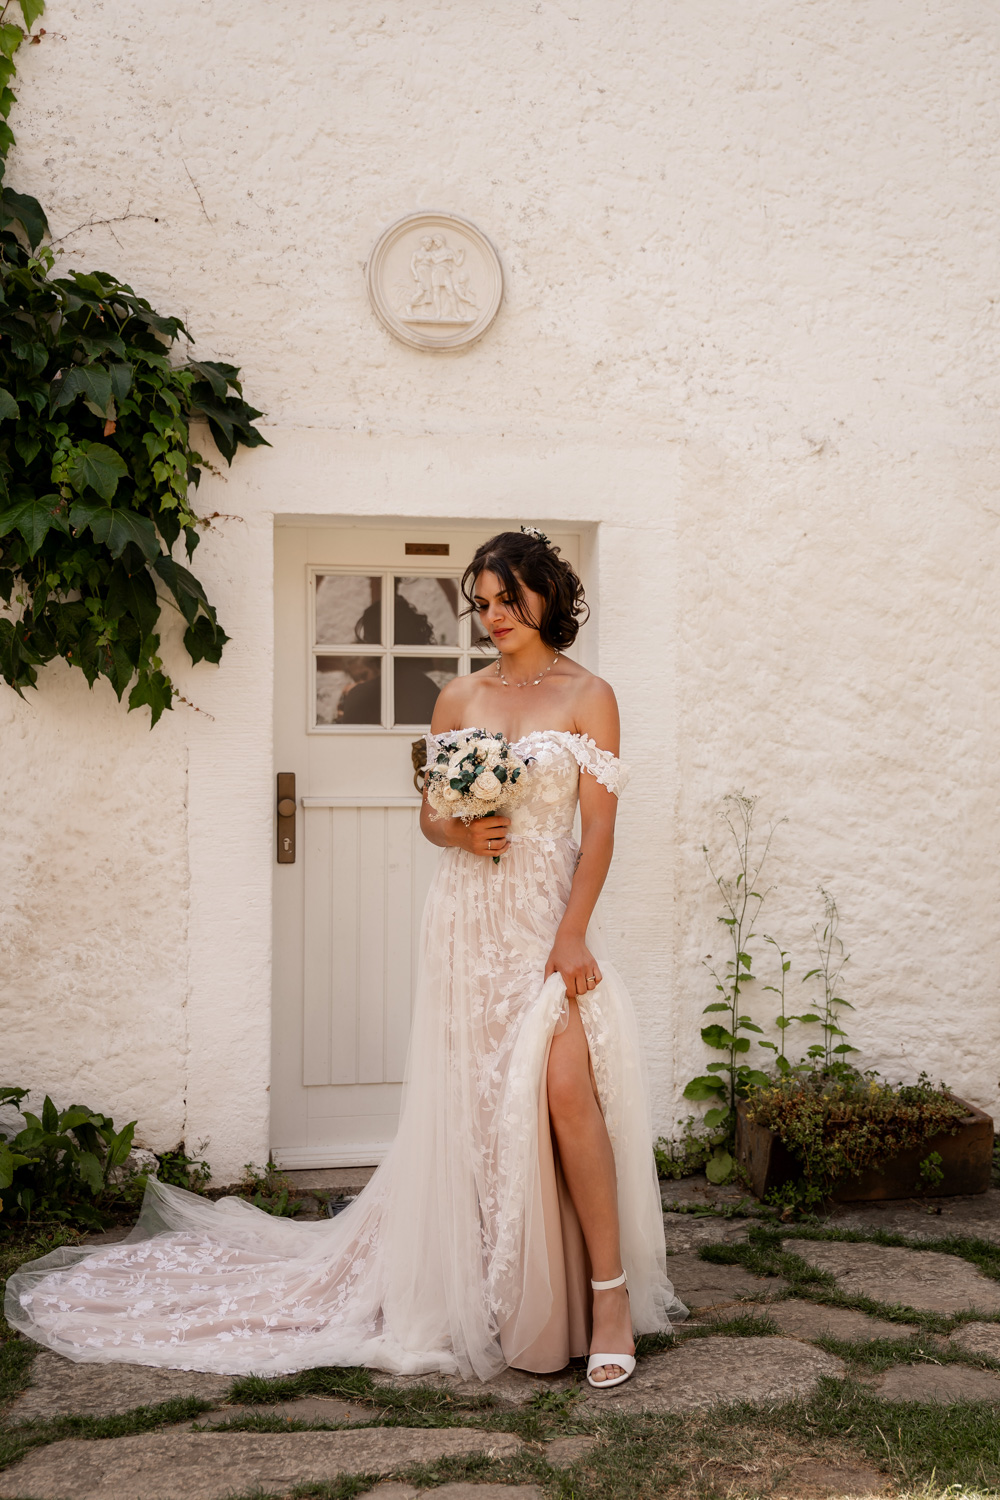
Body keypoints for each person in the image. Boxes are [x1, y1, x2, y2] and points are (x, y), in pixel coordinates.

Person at [5, 528, 685, 1387]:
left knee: (564, 1088)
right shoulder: (457, 699)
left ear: (547, 592)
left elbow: (600, 832)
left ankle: (609, 1295)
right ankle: (502, 1293)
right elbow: (432, 816)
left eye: (509, 598)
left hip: (548, 921)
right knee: (480, 1106)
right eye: (481, 603)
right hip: (469, 925)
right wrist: (459, 830)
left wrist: (575, 931)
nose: (494, 616)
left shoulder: (591, 695)